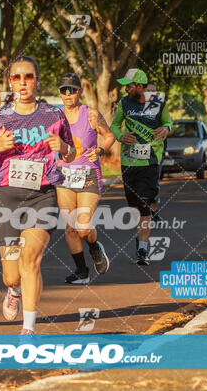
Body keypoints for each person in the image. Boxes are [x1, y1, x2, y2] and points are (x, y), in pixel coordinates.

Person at [0, 55, 76, 335]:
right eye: (16, 77)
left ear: (37, 80)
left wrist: (62, 146)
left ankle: (28, 330)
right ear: (10, 81)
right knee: (12, 274)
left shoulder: (54, 115)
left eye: (28, 76)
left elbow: (71, 152)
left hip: (42, 195)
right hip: (8, 196)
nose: (22, 82)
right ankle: (13, 290)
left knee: (31, 261)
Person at [56, 73, 115, 284]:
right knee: (70, 227)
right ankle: (82, 272)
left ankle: (94, 246)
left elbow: (109, 137)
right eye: (64, 90)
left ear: (79, 91)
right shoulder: (55, 117)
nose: (68, 94)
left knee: (82, 226)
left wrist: (99, 150)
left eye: (72, 90)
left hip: (88, 173)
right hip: (63, 174)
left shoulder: (90, 115)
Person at [110, 69, 172, 265]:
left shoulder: (159, 104)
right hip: (129, 161)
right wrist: (120, 136)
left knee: (145, 206)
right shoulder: (123, 103)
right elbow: (114, 125)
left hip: (151, 160)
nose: (126, 88)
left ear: (139, 86)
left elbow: (168, 122)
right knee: (134, 207)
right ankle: (141, 234)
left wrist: (166, 129)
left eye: (129, 85)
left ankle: (142, 250)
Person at [146, 82, 164, 222]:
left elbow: (168, 125)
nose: (152, 94)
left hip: (156, 151)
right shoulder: (135, 108)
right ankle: (144, 210)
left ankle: (154, 210)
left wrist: (165, 130)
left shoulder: (160, 107)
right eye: (148, 91)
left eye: (154, 91)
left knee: (154, 182)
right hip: (137, 152)